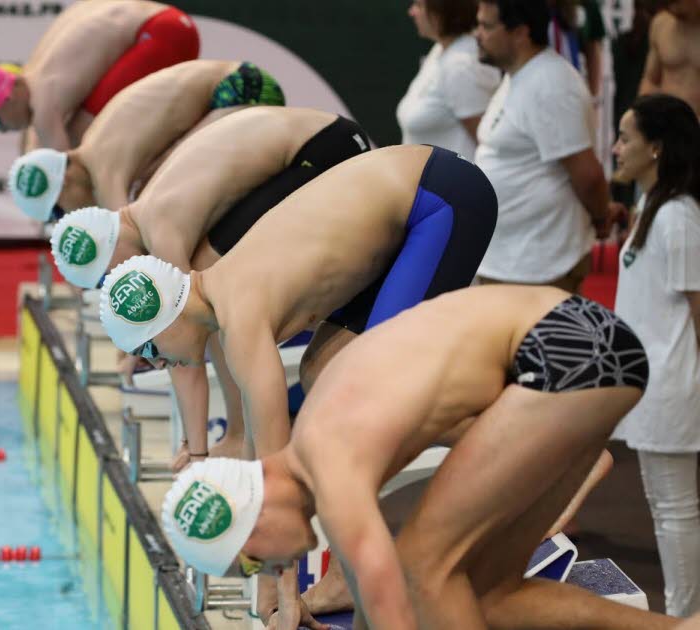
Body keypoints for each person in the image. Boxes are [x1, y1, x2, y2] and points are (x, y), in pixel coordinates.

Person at [97, 144, 497, 621]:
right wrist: (269, 590)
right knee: (320, 375)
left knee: (363, 409)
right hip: (409, 198)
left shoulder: (241, 325)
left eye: (147, 349)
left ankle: (519, 435)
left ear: (164, 321)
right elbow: (259, 468)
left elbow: (271, 484)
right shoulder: (223, 296)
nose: (156, 364)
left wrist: (280, 598)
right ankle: (508, 433)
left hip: (439, 201)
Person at [161, 285, 667, 630]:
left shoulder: (331, 464)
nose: (271, 568)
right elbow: (365, 590)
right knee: (487, 594)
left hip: (569, 351)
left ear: (252, 525)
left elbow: (396, 598)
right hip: (573, 344)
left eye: (252, 562)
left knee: (425, 567)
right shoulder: (319, 449)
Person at [50, 106, 369, 459]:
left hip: (326, 149)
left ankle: (239, 432)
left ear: (110, 247)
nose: (115, 280)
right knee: (207, 287)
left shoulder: (162, 229)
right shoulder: (152, 213)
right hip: (323, 138)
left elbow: (185, 358)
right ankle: (240, 429)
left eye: (105, 276)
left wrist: (195, 447)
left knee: (206, 299)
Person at [611, 94, 700, 617]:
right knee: (667, 508)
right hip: (655, 381)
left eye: (626, 137)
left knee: (675, 510)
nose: (616, 148)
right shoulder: (655, 208)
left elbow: (697, 308)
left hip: (674, 383)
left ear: (658, 148)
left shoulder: (678, 217)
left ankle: (685, 617)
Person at [8, 59, 287, 222]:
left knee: (176, 190)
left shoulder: (105, 168)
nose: (67, 218)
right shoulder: (98, 150)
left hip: (244, 89)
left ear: (64, 183)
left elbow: (128, 238)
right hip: (237, 85)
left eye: (58, 213)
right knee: (160, 188)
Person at [472, 0, 613, 292]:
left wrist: (601, 217)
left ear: (520, 33)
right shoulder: (520, 77)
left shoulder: (551, 84)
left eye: (486, 25)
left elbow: (588, 176)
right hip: (511, 261)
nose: (477, 33)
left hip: (540, 267)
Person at [0, 0, 199, 151]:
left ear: (6, 99)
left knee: (82, 136)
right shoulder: (39, 71)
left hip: (163, 35)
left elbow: (65, 177)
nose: (2, 130)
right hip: (168, 21)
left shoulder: (44, 104)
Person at [397, 0, 501, 159]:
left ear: (440, 12)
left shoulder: (462, 65)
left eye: (419, 5)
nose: (411, 12)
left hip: (458, 182)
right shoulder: (441, 50)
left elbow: (487, 145)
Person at [639, 0, 700, 117]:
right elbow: (651, 80)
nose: (671, 7)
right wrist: (642, 117)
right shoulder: (660, 24)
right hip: (667, 126)